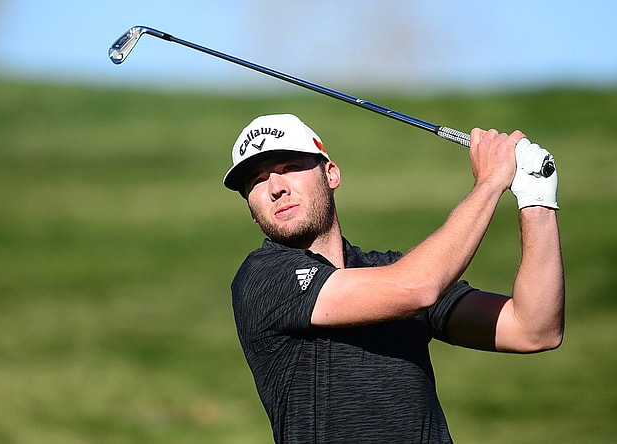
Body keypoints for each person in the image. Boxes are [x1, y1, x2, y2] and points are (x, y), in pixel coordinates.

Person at [224, 113, 564, 443]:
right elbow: (417, 287)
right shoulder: (263, 277)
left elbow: (534, 329)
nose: (275, 188)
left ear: (331, 174)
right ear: (251, 210)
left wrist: (537, 199)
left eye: (290, 168)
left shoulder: (388, 269)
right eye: (257, 181)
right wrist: (491, 182)